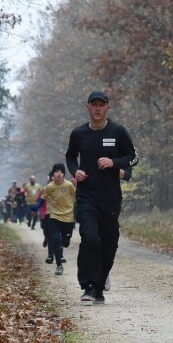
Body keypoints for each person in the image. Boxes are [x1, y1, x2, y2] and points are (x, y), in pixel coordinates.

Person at [65, 90, 138, 304]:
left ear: (108, 107)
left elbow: (133, 158)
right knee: (90, 238)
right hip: (87, 196)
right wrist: (75, 171)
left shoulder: (118, 131)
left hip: (110, 198)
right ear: (87, 107)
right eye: (93, 104)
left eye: (101, 104)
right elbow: (70, 156)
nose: (97, 108)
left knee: (109, 243)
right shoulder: (78, 133)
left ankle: (99, 286)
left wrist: (114, 163)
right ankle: (87, 285)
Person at [42, 163, 76, 276]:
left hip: (68, 218)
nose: (58, 174)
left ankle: (62, 242)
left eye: (61, 172)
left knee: (65, 243)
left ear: (64, 174)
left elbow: (76, 196)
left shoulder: (69, 185)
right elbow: (42, 199)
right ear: (53, 174)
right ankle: (58, 264)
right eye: (56, 172)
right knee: (55, 239)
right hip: (53, 216)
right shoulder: (49, 187)